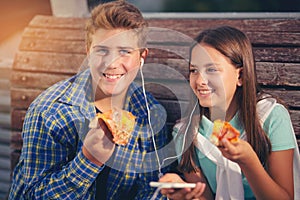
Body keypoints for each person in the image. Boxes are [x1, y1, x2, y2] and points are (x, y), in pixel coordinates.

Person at [9, 1, 172, 199]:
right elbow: (33, 195)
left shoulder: (150, 113)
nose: (112, 63)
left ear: (141, 57)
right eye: (102, 50)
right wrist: (89, 160)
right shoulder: (50, 111)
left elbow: (150, 189)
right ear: (88, 52)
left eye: (125, 51)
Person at [158, 26, 300, 199]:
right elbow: (206, 197)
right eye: (194, 70)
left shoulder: (272, 117)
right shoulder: (185, 132)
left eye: (212, 70)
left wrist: (248, 161)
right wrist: (187, 194)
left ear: (240, 76)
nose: (200, 81)